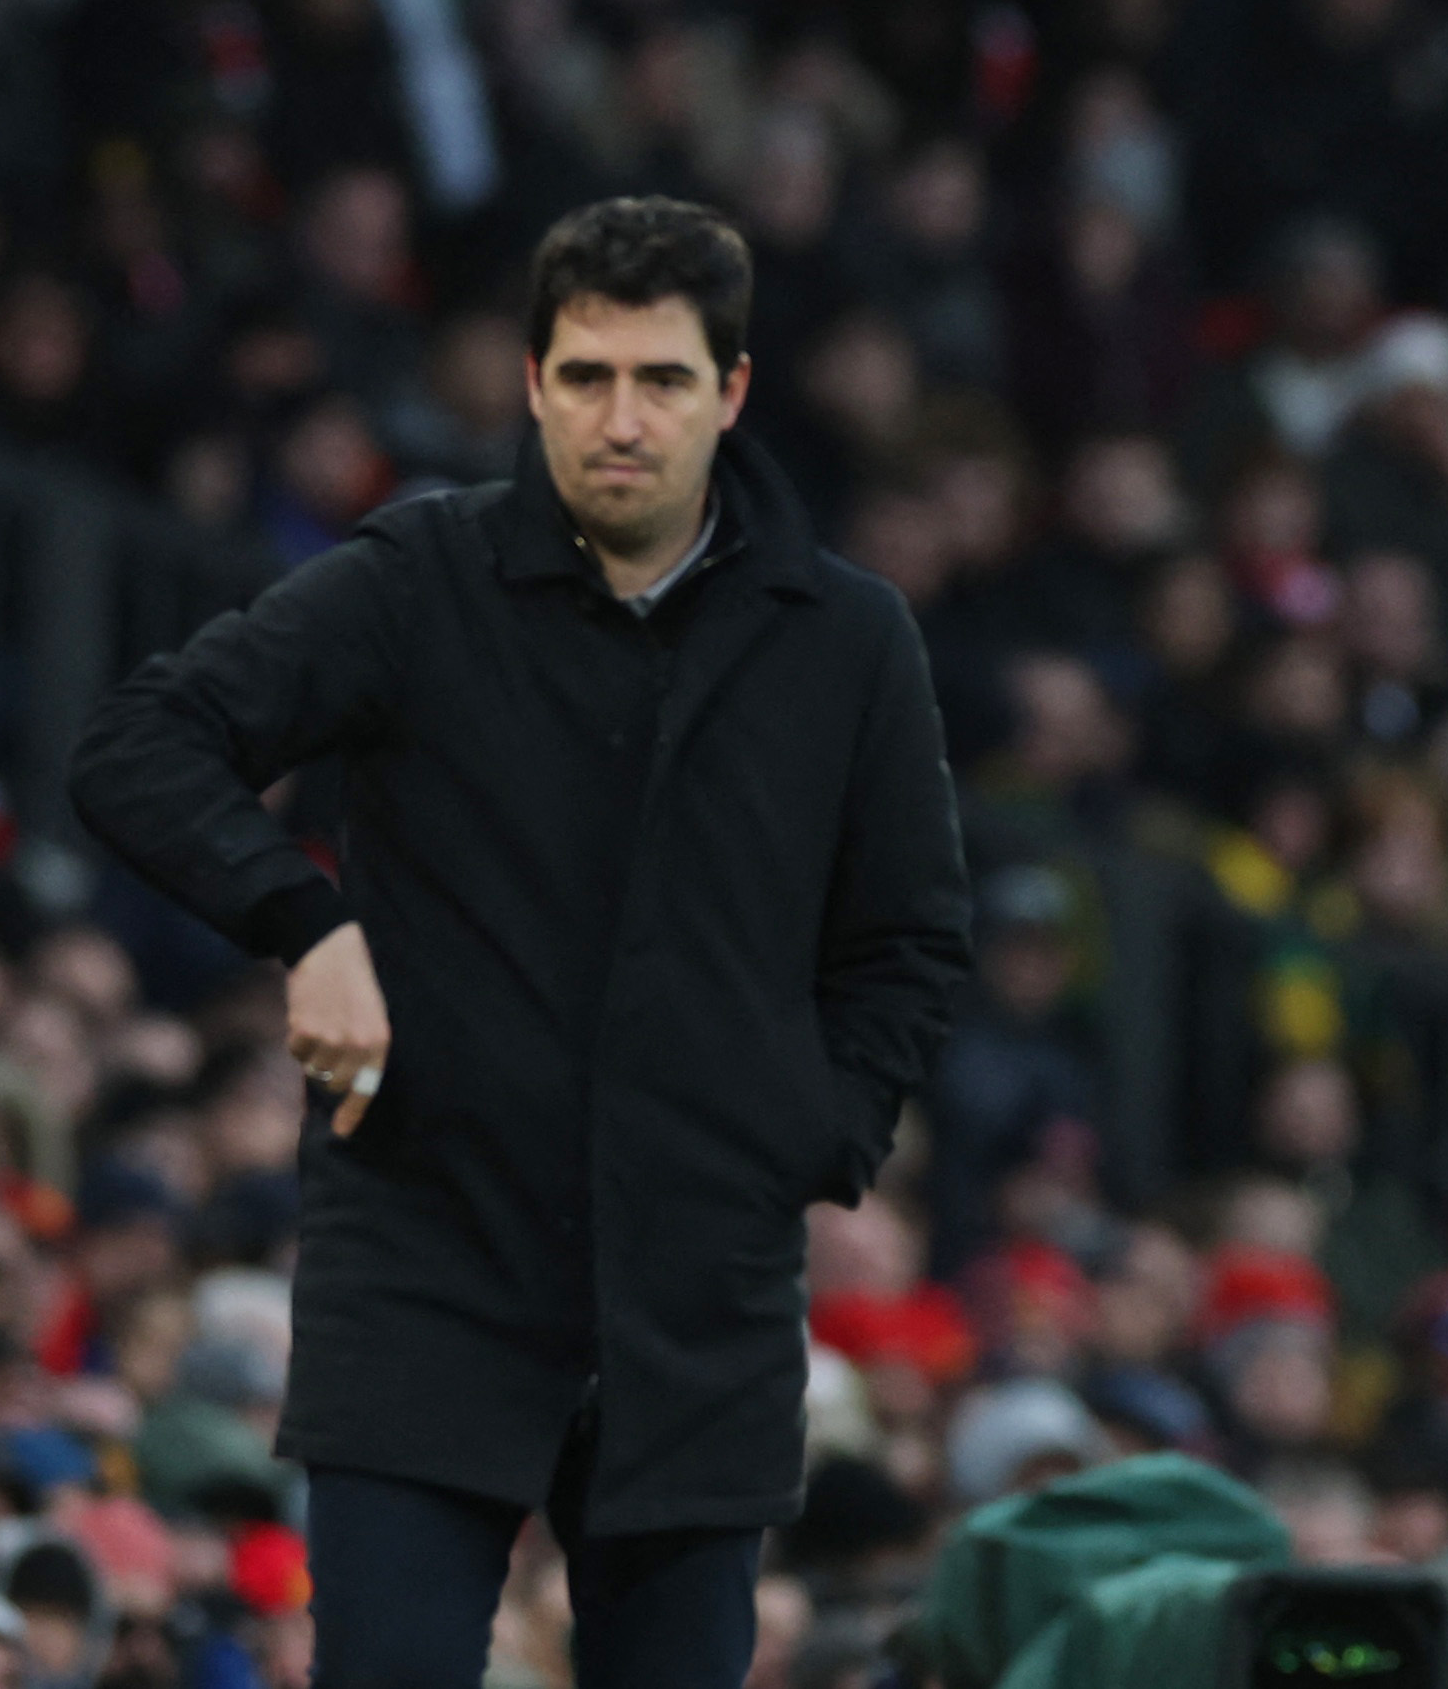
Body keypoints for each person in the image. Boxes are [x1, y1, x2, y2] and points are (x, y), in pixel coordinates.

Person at [69, 197, 973, 1688]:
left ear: (731, 392)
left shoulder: (849, 636)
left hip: (700, 1302)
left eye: (664, 379)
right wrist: (308, 921)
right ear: (533, 381)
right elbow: (141, 742)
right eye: (588, 375)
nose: (624, 417)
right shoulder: (419, 577)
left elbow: (912, 939)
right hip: (429, 1265)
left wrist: (810, 1134)